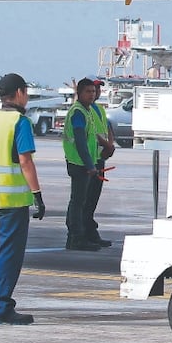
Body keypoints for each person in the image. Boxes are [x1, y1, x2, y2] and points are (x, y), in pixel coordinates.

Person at [0, 72, 45, 324]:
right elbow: (25, 161)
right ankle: (1, 307)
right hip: (12, 200)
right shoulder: (19, 122)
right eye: (26, 92)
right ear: (18, 93)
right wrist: (37, 194)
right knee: (9, 254)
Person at [62, 78, 102, 251]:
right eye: (88, 91)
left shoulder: (87, 111)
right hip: (79, 164)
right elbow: (80, 141)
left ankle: (77, 236)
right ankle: (76, 237)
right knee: (78, 202)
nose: (92, 95)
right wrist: (89, 164)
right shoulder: (78, 112)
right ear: (79, 93)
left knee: (80, 201)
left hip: (84, 163)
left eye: (93, 92)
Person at [85, 79, 116, 248]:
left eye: (97, 89)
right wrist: (107, 145)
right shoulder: (84, 110)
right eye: (92, 89)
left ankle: (90, 232)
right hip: (89, 160)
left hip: (99, 159)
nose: (95, 92)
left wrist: (110, 145)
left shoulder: (99, 109)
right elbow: (92, 133)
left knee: (92, 200)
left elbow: (108, 129)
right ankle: (84, 233)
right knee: (85, 200)